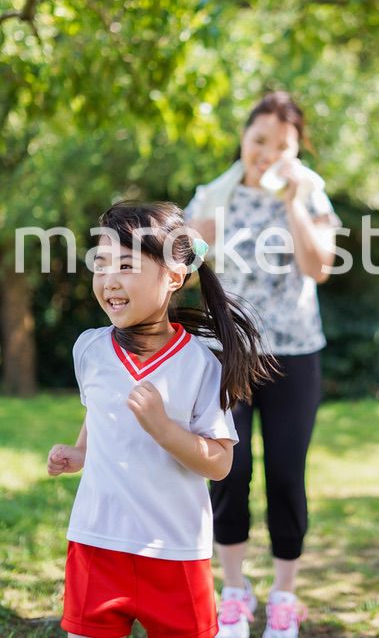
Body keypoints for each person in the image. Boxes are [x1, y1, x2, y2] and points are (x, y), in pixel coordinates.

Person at [47, 201, 272, 638]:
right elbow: (101, 411)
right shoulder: (89, 349)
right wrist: (80, 452)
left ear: (172, 277)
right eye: (103, 264)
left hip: (174, 549)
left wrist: (165, 430)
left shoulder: (200, 365)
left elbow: (220, 462)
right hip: (97, 540)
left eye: (126, 264)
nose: (110, 278)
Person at [185, 91, 340, 638]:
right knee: (230, 470)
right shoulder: (212, 194)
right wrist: (192, 249)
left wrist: (294, 202)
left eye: (282, 146)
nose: (267, 154)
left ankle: (284, 596)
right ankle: (233, 592)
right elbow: (180, 273)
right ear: (243, 138)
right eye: (259, 142)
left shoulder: (312, 190)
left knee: (285, 473)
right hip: (226, 354)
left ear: (296, 150)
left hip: (294, 355)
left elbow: (319, 266)